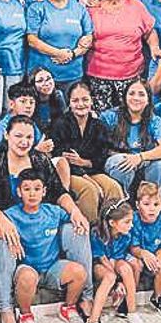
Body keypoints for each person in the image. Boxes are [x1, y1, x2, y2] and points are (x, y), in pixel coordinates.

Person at [0, 115, 91, 323]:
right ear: (6, 135)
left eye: (29, 137)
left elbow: (59, 192)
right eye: (18, 136)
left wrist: (75, 212)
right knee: (4, 236)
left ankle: (85, 295)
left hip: (40, 223)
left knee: (76, 227)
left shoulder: (40, 161)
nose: (24, 141)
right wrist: (3, 221)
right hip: (9, 223)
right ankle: (6, 306)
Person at [0, 169, 92, 323]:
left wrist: (78, 217)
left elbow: (73, 219)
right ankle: (26, 315)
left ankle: (69, 307)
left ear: (44, 192)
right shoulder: (12, 214)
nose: (32, 193)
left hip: (52, 268)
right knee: (27, 277)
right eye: (27, 189)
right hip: (27, 268)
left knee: (79, 272)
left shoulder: (54, 212)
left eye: (37, 189)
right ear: (19, 192)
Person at [50, 81, 124, 223]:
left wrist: (86, 162)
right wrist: (87, 176)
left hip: (92, 170)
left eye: (85, 99)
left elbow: (102, 155)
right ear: (69, 104)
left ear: (91, 101)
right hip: (68, 173)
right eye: (75, 100)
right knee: (89, 190)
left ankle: (113, 229)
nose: (80, 104)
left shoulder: (99, 126)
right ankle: (88, 230)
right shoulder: (60, 124)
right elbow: (64, 158)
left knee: (113, 187)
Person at [86, 0, 157, 111]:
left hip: (131, 73)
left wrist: (154, 48)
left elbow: (150, 32)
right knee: (103, 118)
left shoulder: (137, 6)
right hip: (99, 74)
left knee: (129, 115)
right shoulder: (92, 9)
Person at [26, 0, 93, 98]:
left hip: (72, 74)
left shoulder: (79, 9)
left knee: (70, 114)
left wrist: (72, 54)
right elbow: (32, 40)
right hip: (43, 76)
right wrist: (59, 53)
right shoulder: (37, 8)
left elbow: (88, 38)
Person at [85, 200, 145, 323]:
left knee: (126, 269)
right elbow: (102, 259)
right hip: (98, 264)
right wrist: (117, 282)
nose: (131, 225)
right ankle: (92, 321)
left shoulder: (126, 234)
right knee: (110, 277)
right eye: (127, 222)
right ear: (112, 223)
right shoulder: (97, 234)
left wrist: (122, 279)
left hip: (113, 261)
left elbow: (118, 258)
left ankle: (131, 311)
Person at [103, 79, 161, 193]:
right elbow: (99, 145)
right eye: (131, 93)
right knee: (122, 162)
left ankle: (151, 199)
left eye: (141, 94)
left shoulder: (154, 120)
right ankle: (122, 199)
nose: (136, 98)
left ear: (148, 100)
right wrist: (128, 157)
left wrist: (139, 157)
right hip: (118, 160)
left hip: (143, 161)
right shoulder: (110, 117)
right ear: (125, 97)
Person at [128, 181, 161, 323]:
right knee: (136, 265)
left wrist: (159, 259)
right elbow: (132, 247)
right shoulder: (134, 220)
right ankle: (129, 300)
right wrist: (143, 254)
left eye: (156, 205)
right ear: (138, 205)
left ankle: (157, 297)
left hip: (153, 255)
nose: (152, 209)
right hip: (137, 254)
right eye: (146, 204)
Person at [0, 82, 52, 157]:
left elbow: (40, 143)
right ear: (11, 104)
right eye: (23, 101)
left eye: (31, 102)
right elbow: (2, 158)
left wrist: (47, 147)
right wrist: (36, 150)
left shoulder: (31, 124)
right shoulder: (1, 128)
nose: (28, 106)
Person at [30, 67, 66, 132]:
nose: (46, 83)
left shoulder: (58, 95)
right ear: (33, 85)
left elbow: (64, 120)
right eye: (40, 81)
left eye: (48, 79)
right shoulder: (30, 101)